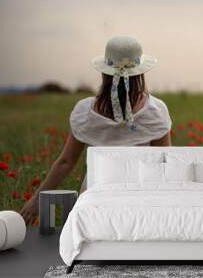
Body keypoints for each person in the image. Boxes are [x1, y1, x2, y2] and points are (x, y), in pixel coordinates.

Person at [20, 36, 172, 224]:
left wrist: (36, 201)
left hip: (94, 202)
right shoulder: (155, 111)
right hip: (140, 202)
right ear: (140, 74)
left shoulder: (86, 112)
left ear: (105, 74)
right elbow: (165, 165)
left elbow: (66, 162)